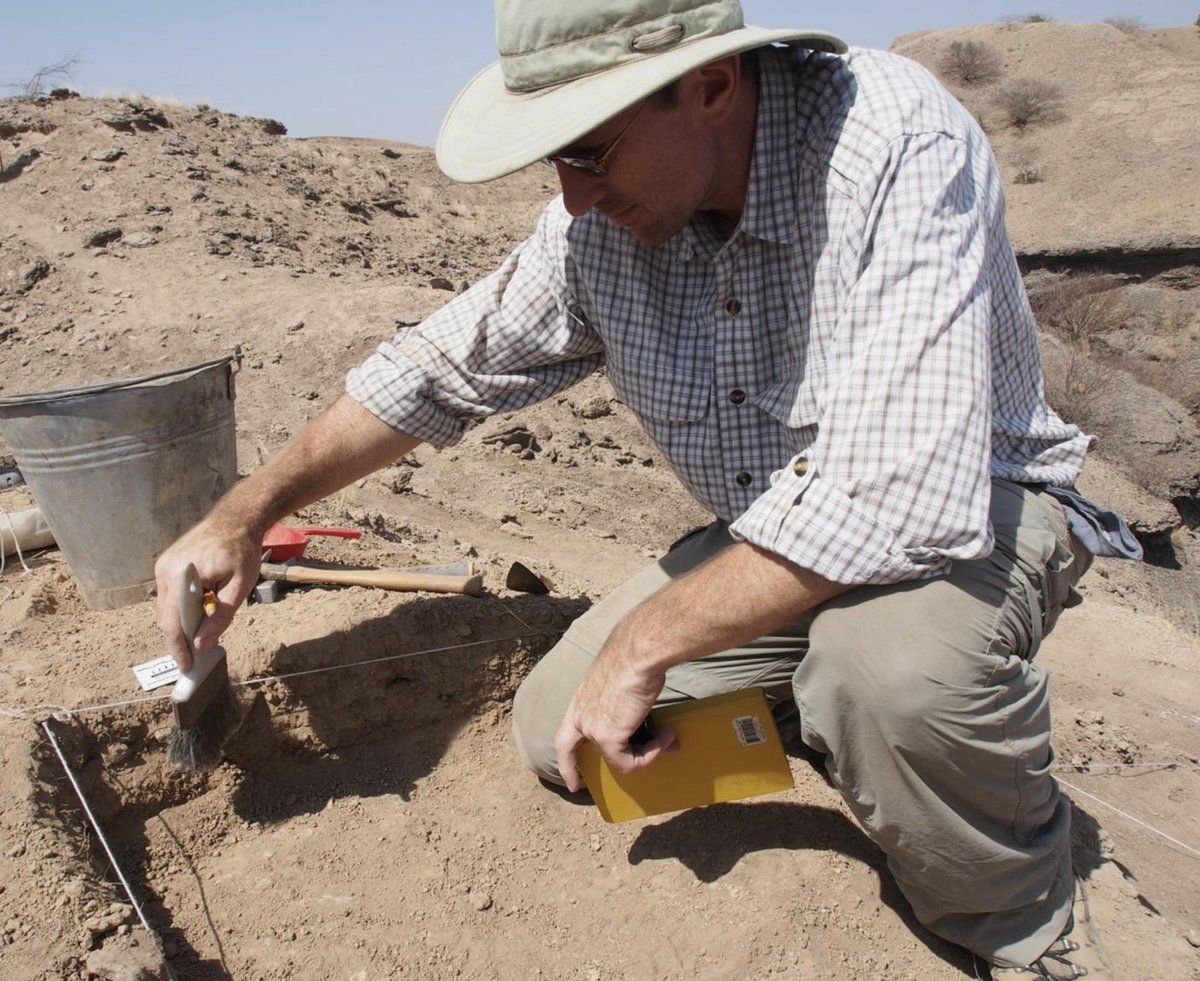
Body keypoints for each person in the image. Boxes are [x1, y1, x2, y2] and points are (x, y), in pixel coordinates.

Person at [156, 2, 1139, 976]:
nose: (574, 197)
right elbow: (438, 369)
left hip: (975, 503)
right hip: (785, 522)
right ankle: (855, 733)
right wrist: (246, 514)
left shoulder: (893, 146)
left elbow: (895, 498)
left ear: (708, 88)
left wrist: (646, 643)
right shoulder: (603, 231)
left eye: (589, 153)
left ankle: (1029, 925)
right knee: (563, 739)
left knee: (889, 677)